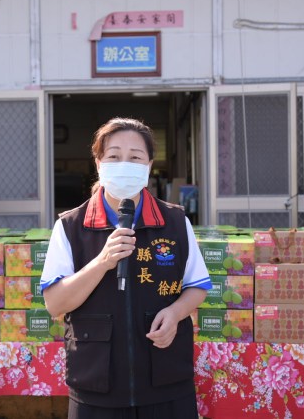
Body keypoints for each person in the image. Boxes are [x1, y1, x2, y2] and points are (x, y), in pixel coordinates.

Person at [40, 117, 212, 419]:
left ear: (149, 165)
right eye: (114, 156)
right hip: (96, 386)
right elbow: (55, 303)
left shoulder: (175, 221)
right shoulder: (69, 226)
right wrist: (102, 262)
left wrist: (175, 313)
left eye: (135, 158)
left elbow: (197, 286)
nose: (124, 165)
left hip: (167, 382)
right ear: (98, 163)